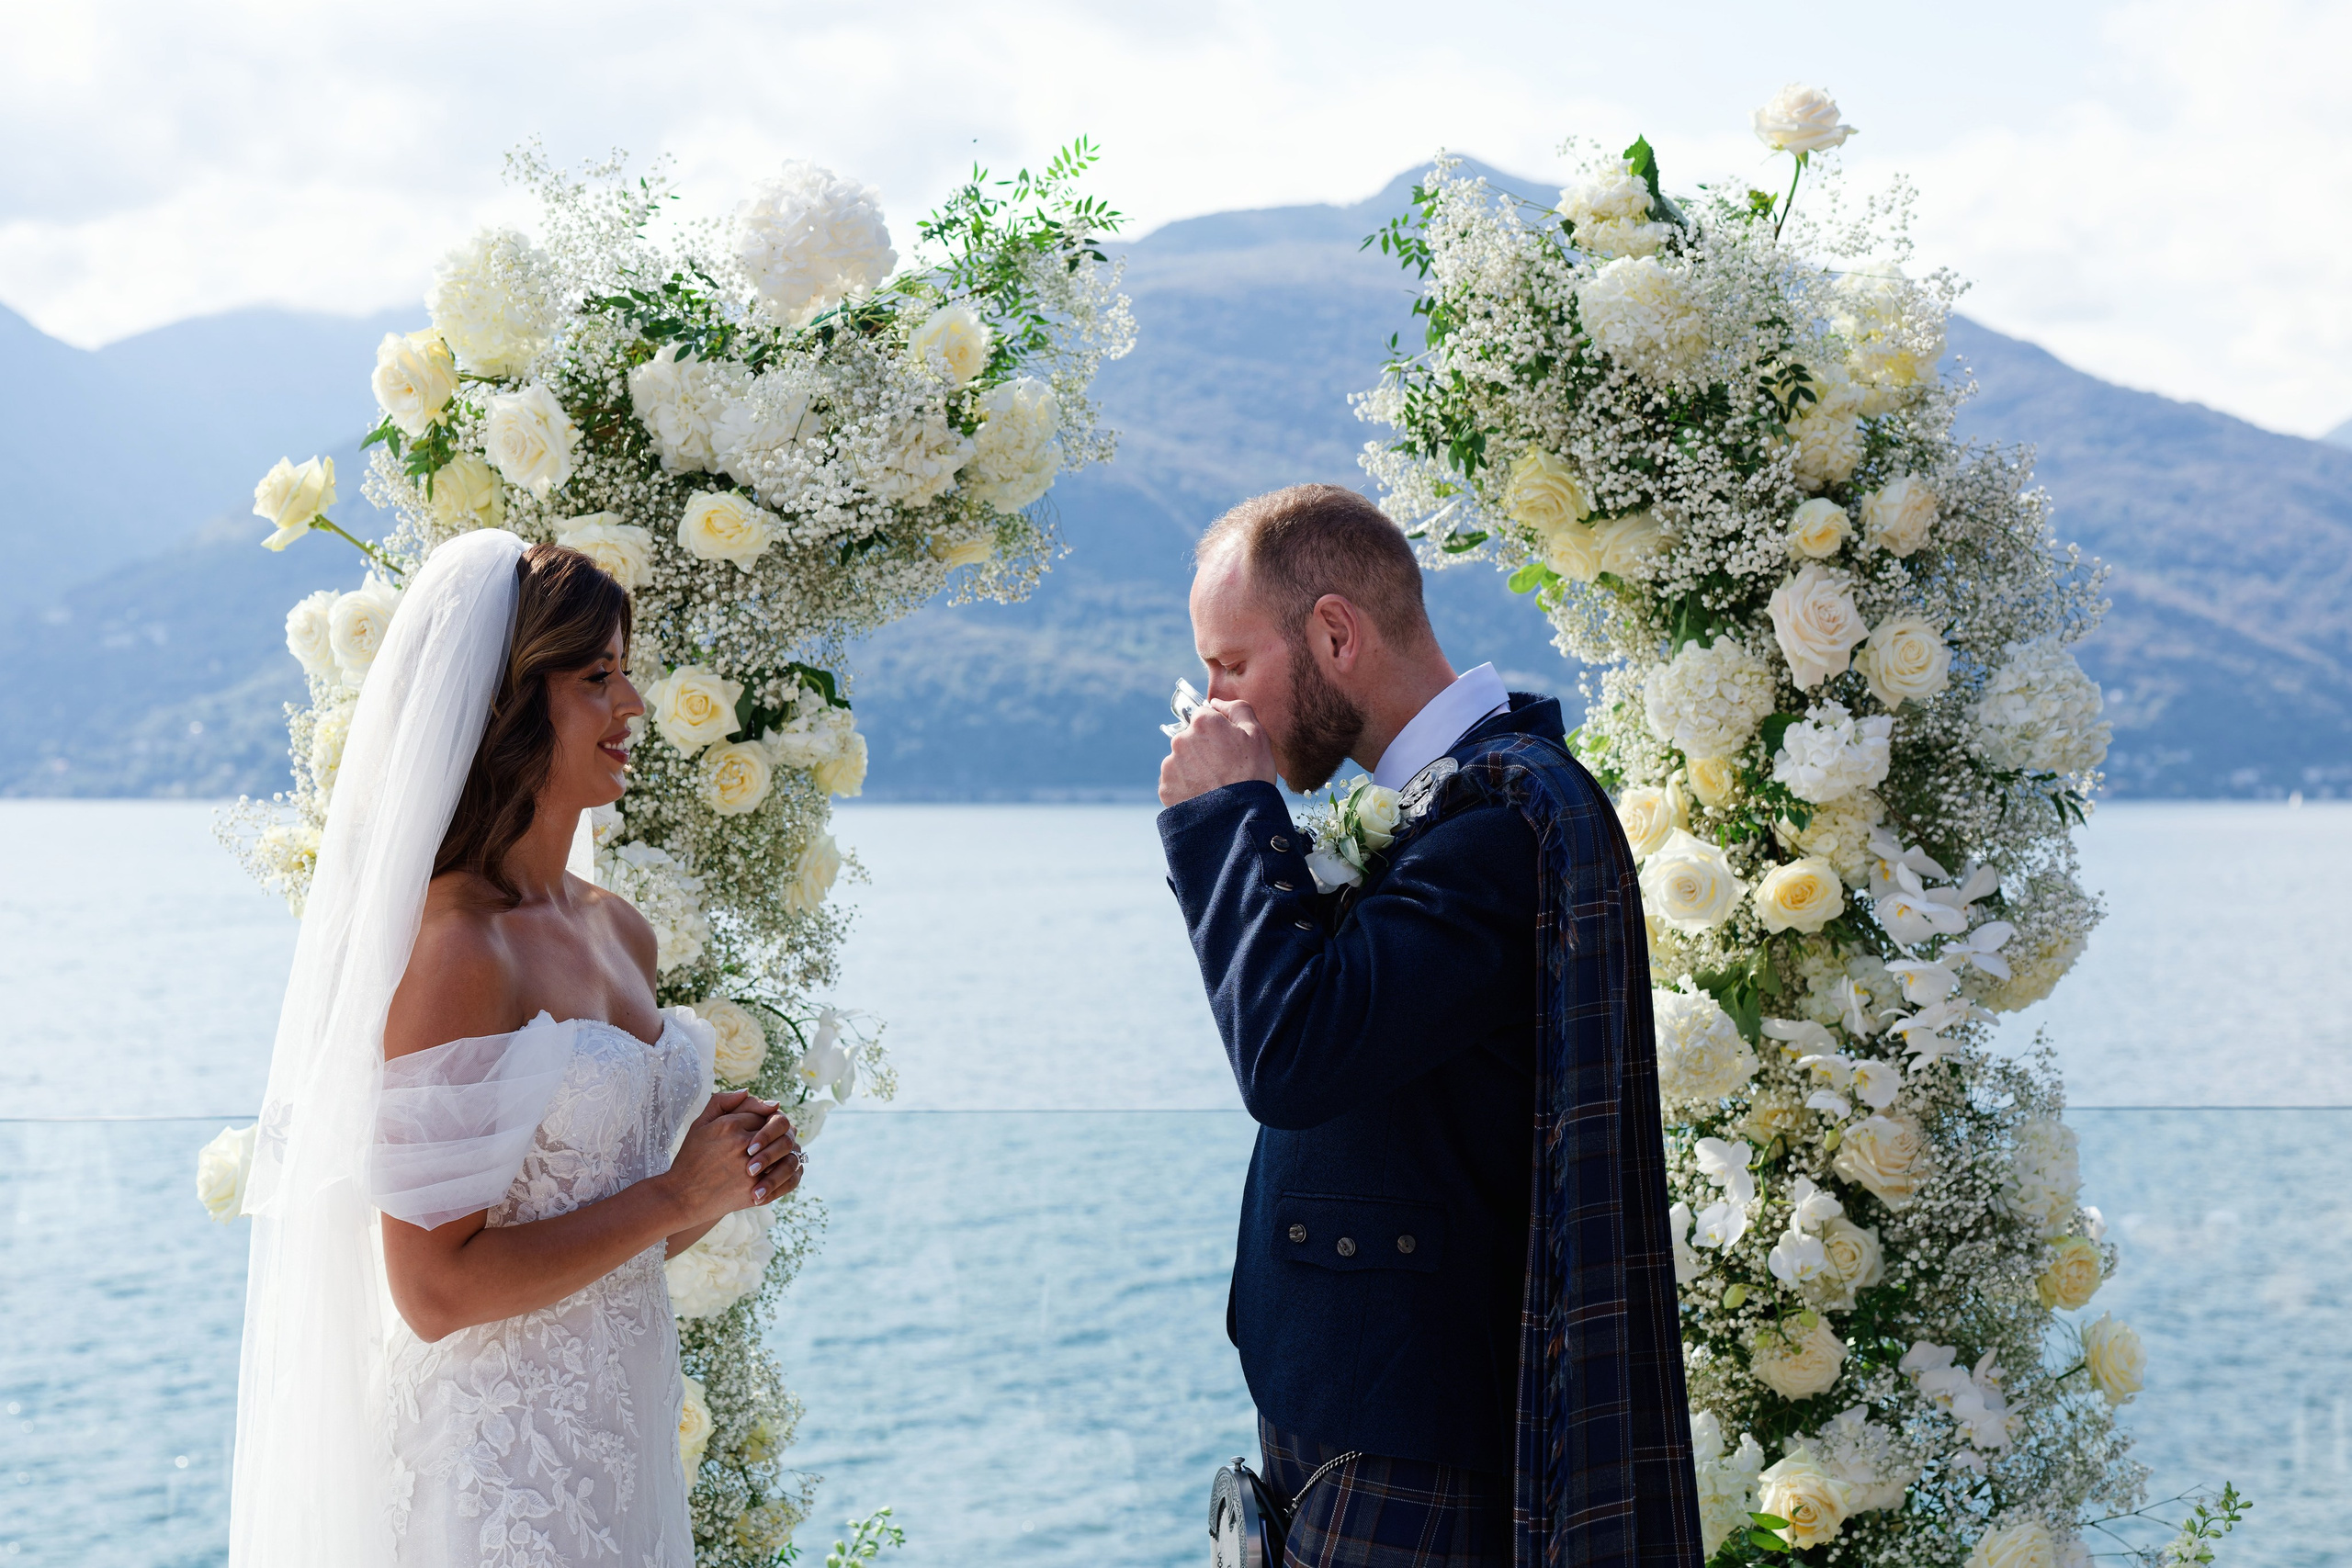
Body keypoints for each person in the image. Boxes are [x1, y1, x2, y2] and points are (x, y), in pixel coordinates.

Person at [228, 532, 803, 1567]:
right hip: (492, 1482)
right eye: (598, 678)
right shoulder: (458, 948)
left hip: (620, 1447)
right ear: (507, 702)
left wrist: (714, 1183)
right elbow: (436, 1289)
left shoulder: (621, 931)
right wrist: (674, 1200)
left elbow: (596, 1227)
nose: (632, 707)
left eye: (627, 674)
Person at [1156, 485, 1702, 1568]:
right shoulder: (1453, 811)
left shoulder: (1499, 824)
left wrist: (1224, 820)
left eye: (1229, 665)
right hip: (1350, 1436)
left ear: (1334, 633)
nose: (1209, 703)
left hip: (1409, 1460)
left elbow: (1295, 1053)